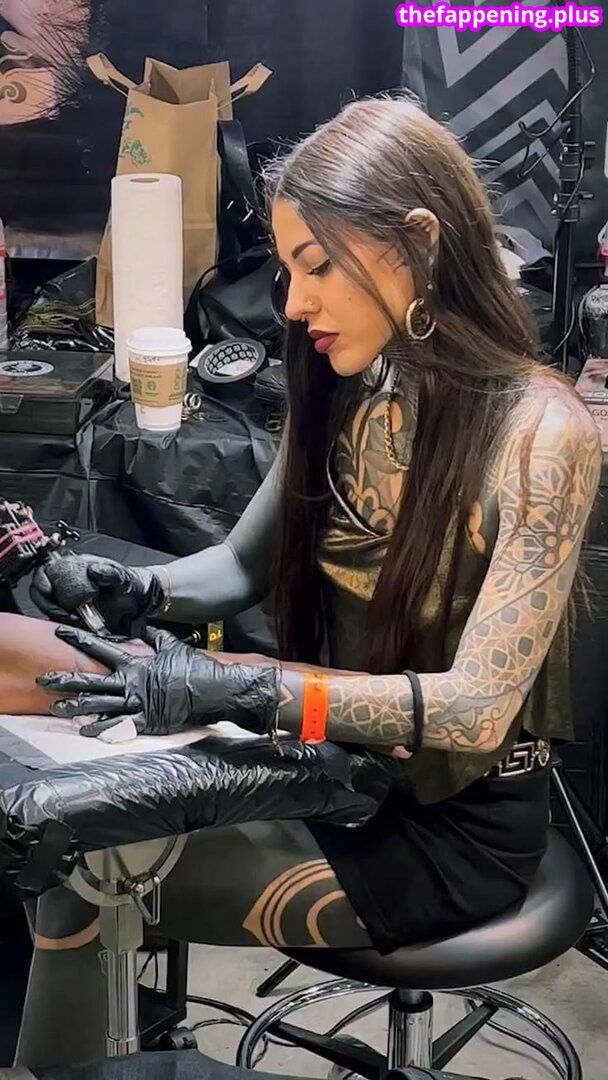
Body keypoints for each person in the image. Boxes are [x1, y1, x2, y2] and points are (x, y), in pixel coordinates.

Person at [16, 93, 601, 1067]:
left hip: (443, 831)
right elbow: (238, 566)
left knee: (81, 871)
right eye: (289, 270)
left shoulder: (540, 436)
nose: (291, 303)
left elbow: (471, 712)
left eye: (317, 265)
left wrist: (248, 689)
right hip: (332, 772)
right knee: (67, 842)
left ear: (418, 241)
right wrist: (141, 592)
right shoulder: (347, 380)